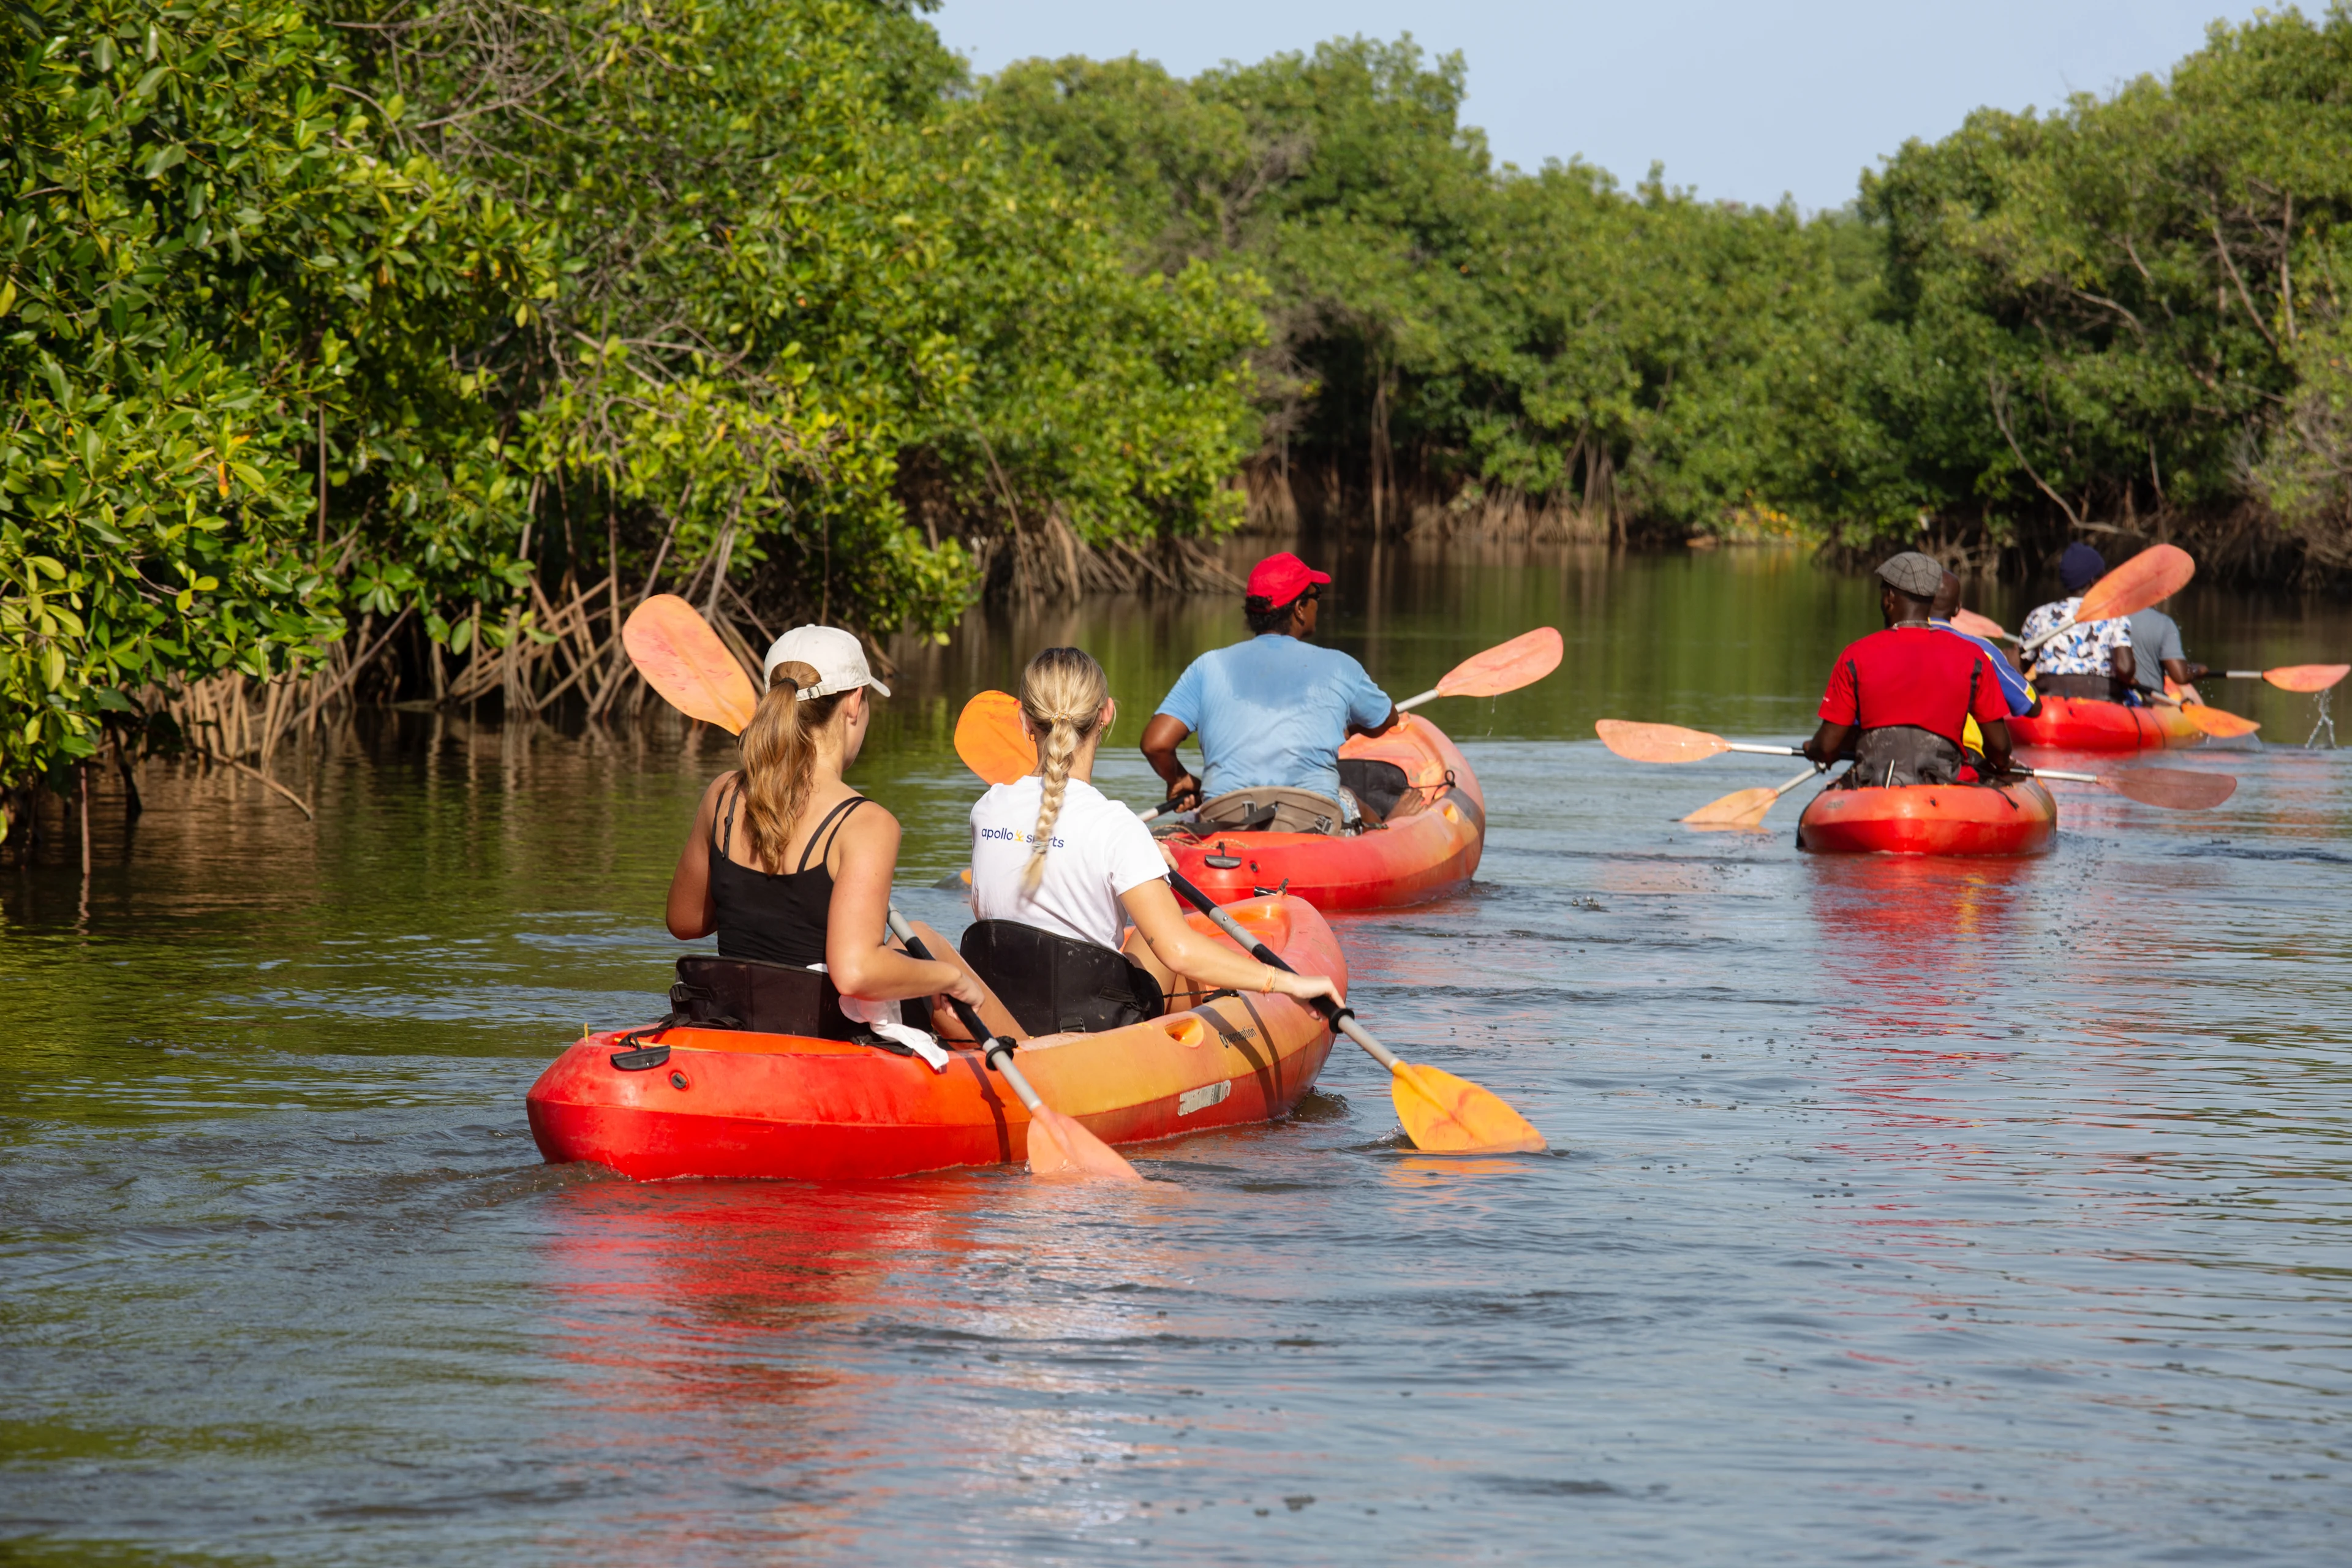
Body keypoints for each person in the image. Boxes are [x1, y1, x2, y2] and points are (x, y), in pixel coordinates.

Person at [968, 646, 1343, 1037]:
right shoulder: (1116, 825)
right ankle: (1199, 1048)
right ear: (1106, 713)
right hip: (1092, 1028)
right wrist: (1287, 982)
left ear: (1025, 720)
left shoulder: (987, 809)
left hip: (1005, 1013)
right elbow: (1177, 951)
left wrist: (1144, 859)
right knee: (1176, 942)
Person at [665, 625, 1008, 1041]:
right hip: (825, 1033)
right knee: (931, 950)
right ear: (854, 702)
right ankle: (1040, 1058)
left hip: (739, 1020)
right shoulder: (865, 823)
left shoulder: (723, 795)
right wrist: (950, 978)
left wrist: (759, 899)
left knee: (920, 937)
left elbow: (685, 922)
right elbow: (855, 972)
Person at [1140, 552, 1398, 832]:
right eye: (1316, 597)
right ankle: (1393, 830)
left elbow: (1156, 744)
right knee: (1351, 799)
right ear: (1299, 608)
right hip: (1311, 817)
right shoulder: (1341, 666)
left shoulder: (1209, 665)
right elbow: (1386, 721)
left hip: (1226, 815)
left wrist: (1179, 779)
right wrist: (1350, 728)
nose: (1317, 606)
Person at [1803, 551, 2015, 786]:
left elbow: (1828, 745)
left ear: (1890, 597)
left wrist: (1815, 749)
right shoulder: (1973, 657)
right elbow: (1999, 746)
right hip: (1945, 785)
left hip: (1875, 784)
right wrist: (2003, 765)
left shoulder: (1855, 655)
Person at [2019, 542, 2135, 701]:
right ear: (2094, 581)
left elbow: (2022, 665)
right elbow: (2126, 669)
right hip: (2100, 697)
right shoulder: (2114, 616)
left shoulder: (2039, 615)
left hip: (2050, 697)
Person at [1931, 570, 2039, 722]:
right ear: (1957, 609)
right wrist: (2015, 668)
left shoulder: (1888, 640)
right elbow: (2033, 707)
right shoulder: (1983, 650)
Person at [2127, 602, 2209, 705]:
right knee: (2196, 703)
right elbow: (2180, 676)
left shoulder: (2110, 620)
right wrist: (2198, 670)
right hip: (2150, 703)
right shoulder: (2165, 623)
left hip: (2118, 698)